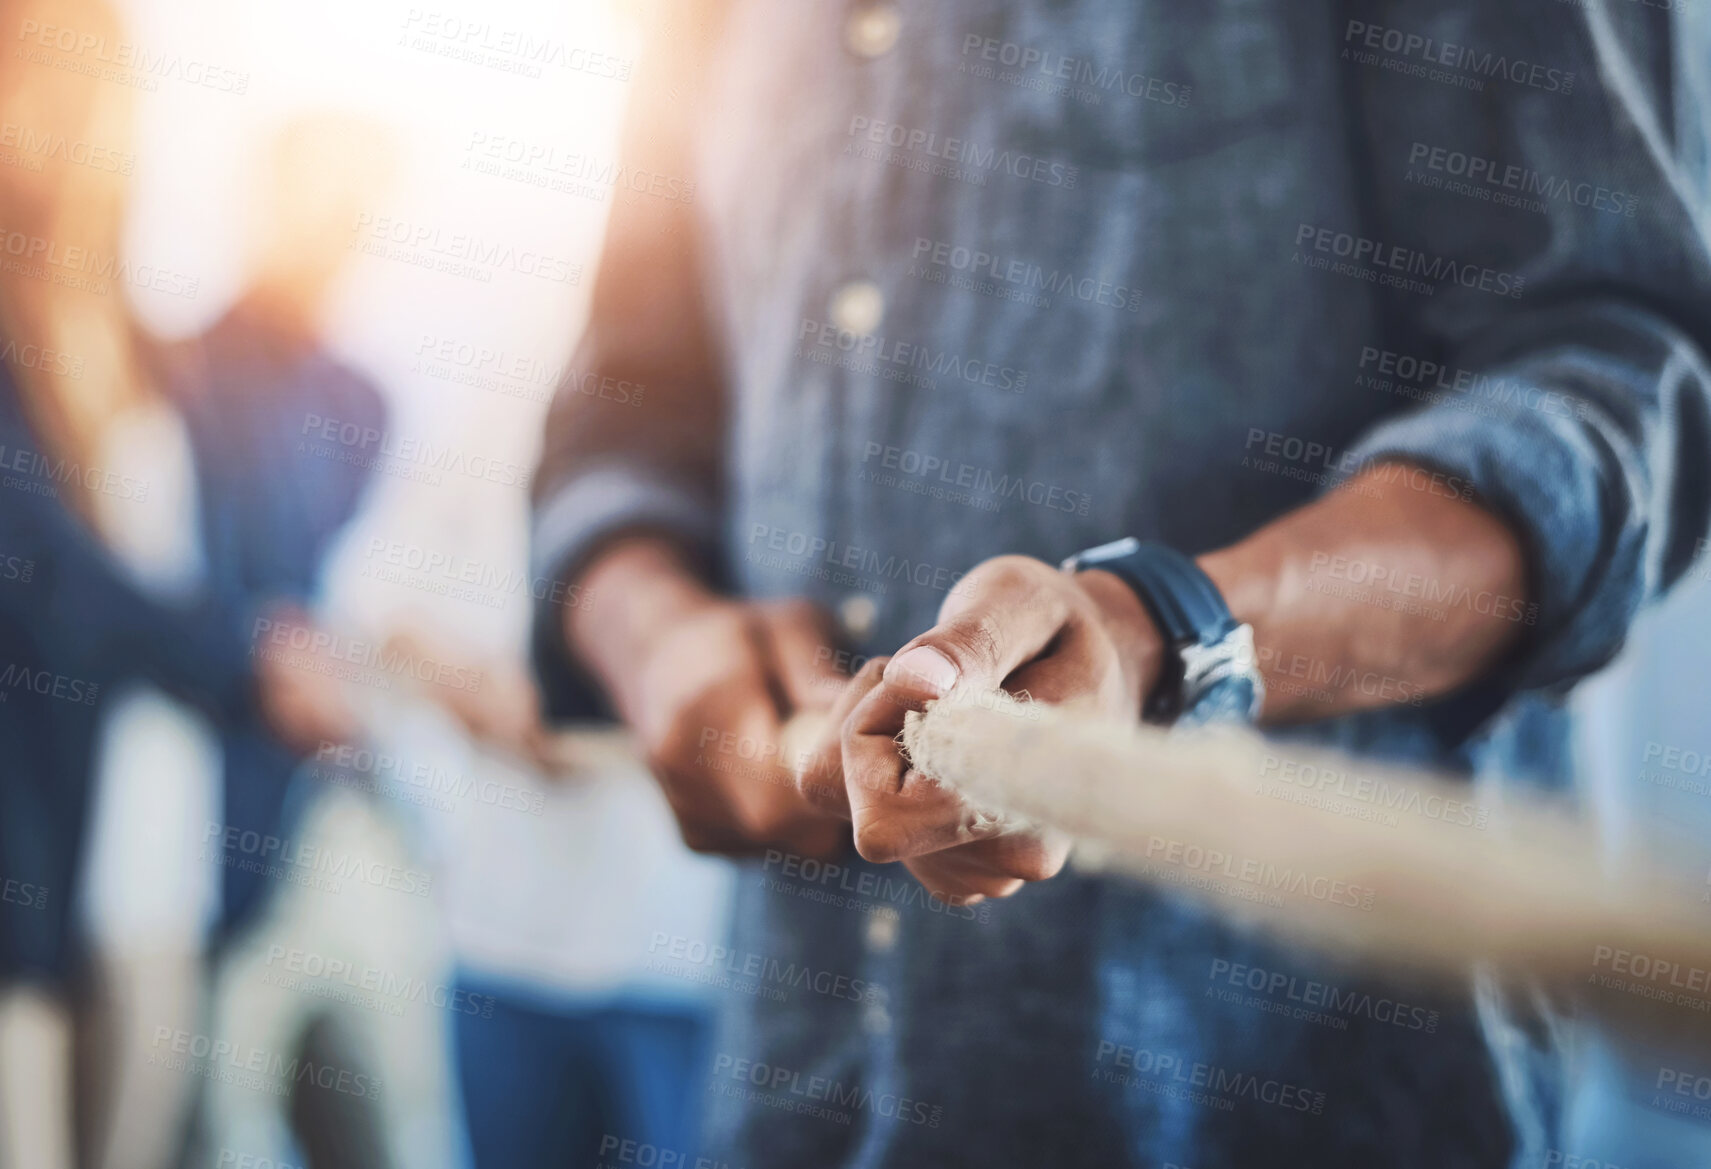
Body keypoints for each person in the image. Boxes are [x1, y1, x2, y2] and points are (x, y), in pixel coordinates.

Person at [530, 2, 1711, 1166]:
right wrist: (656, 642)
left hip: (1302, 1089)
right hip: (790, 1082)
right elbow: (620, 418)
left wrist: (1163, 635)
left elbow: (1615, 379)